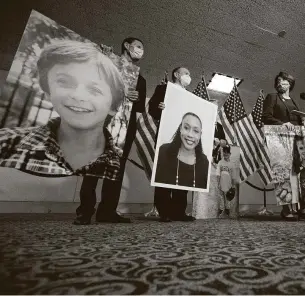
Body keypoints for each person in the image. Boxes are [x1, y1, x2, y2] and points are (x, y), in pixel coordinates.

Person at [0, 40, 123, 181]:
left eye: (94, 89)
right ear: (48, 91)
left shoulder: (121, 165)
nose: (78, 95)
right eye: (64, 82)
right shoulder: (5, 142)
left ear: (113, 107)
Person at [75, 37, 147, 225]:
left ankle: (107, 211)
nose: (141, 50)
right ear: (126, 45)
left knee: (116, 171)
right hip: (102, 123)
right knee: (93, 168)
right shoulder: (107, 64)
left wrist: (137, 98)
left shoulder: (141, 79)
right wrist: (102, 57)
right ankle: (84, 212)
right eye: (138, 46)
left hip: (124, 129)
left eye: (142, 49)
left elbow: (138, 110)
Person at [148, 66, 196, 222]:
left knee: (183, 174)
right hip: (167, 137)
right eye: (186, 73)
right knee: (166, 174)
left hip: (184, 139)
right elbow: (152, 110)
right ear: (176, 74)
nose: (188, 76)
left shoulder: (190, 96)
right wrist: (159, 107)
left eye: (189, 74)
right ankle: (165, 211)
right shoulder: (163, 88)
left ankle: (179, 211)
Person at [262, 71, 305, 219]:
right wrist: (282, 124)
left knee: (298, 172)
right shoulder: (272, 97)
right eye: (278, 81)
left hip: (296, 140)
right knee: (283, 173)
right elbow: (265, 116)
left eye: (283, 80)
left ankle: (302, 207)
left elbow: (299, 119)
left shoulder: (294, 102)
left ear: (290, 83)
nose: (279, 83)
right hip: (280, 139)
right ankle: (286, 209)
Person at [154, 112, 209, 188]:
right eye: (186, 128)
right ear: (180, 129)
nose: (190, 134)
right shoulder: (163, 151)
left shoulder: (204, 162)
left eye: (196, 131)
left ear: (200, 134)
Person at [216, 144, 239, 218]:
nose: (226, 154)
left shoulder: (231, 164)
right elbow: (218, 174)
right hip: (221, 183)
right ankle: (221, 210)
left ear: (230, 154)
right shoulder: (220, 162)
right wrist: (218, 183)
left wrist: (233, 185)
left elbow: (233, 176)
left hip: (228, 184)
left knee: (227, 198)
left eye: (227, 152)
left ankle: (227, 210)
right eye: (224, 152)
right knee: (221, 197)